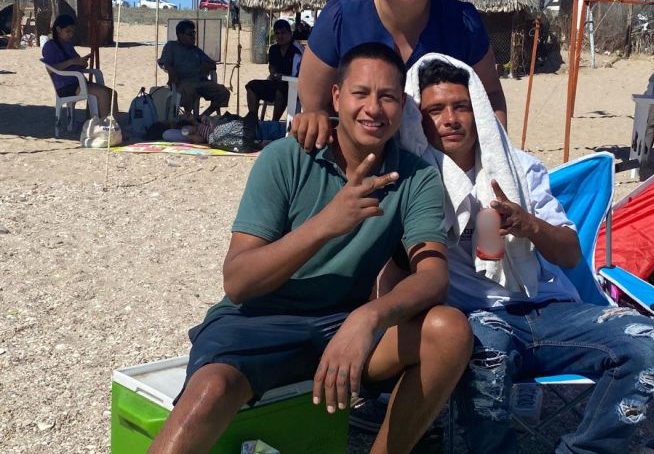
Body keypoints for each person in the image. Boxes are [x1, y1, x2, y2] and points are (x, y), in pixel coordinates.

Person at [147, 43, 473, 454]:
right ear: (336, 97)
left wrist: (368, 317)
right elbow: (238, 282)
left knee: (449, 331)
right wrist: (325, 225)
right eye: (360, 93)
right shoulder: (287, 158)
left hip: (343, 321)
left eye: (388, 97)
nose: (373, 108)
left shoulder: (414, 177)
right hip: (259, 320)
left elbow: (433, 276)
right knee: (211, 391)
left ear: (402, 105)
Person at [395, 54, 654, 454]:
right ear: (417, 119)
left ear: (478, 111)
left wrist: (529, 225)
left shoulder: (520, 171)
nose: (451, 119)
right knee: (483, 354)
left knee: (648, 342)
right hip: (477, 317)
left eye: (461, 107)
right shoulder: (415, 180)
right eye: (435, 110)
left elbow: (571, 255)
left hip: (551, 310)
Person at [291, 0, 507, 152]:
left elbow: (491, 97)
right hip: (357, 159)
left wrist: (492, 158)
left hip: (440, 162)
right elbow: (315, 106)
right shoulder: (339, 18)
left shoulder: (463, 22)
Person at [42, 14, 118, 118]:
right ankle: (103, 124)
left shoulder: (67, 45)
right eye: (68, 31)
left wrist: (82, 62)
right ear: (58, 29)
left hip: (79, 81)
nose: (70, 35)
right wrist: (71, 62)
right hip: (66, 85)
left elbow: (76, 62)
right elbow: (51, 69)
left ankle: (113, 123)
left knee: (113, 93)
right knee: (103, 93)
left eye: (72, 32)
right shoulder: (50, 46)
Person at [158, 20, 230, 118]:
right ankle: (189, 116)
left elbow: (212, 64)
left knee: (223, 92)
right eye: (190, 34)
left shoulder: (196, 50)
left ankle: (204, 115)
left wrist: (207, 66)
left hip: (201, 82)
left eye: (194, 33)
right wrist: (171, 72)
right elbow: (164, 63)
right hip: (182, 82)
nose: (193, 36)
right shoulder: (171, 46)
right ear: (180, 35)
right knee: (189, 89)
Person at [244, 19, 302, 122]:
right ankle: (253, 121)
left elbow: (300, 74)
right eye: (277, 33)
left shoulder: (297, 50)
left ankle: (274, 122)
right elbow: (272, 67)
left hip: (294, 86)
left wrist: (284, 77)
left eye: (283, 33)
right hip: (276, 82)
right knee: (251, 86)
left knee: (281, 90)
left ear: (290, 33)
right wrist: (273, 73)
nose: (280, 36)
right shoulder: (273, 49)